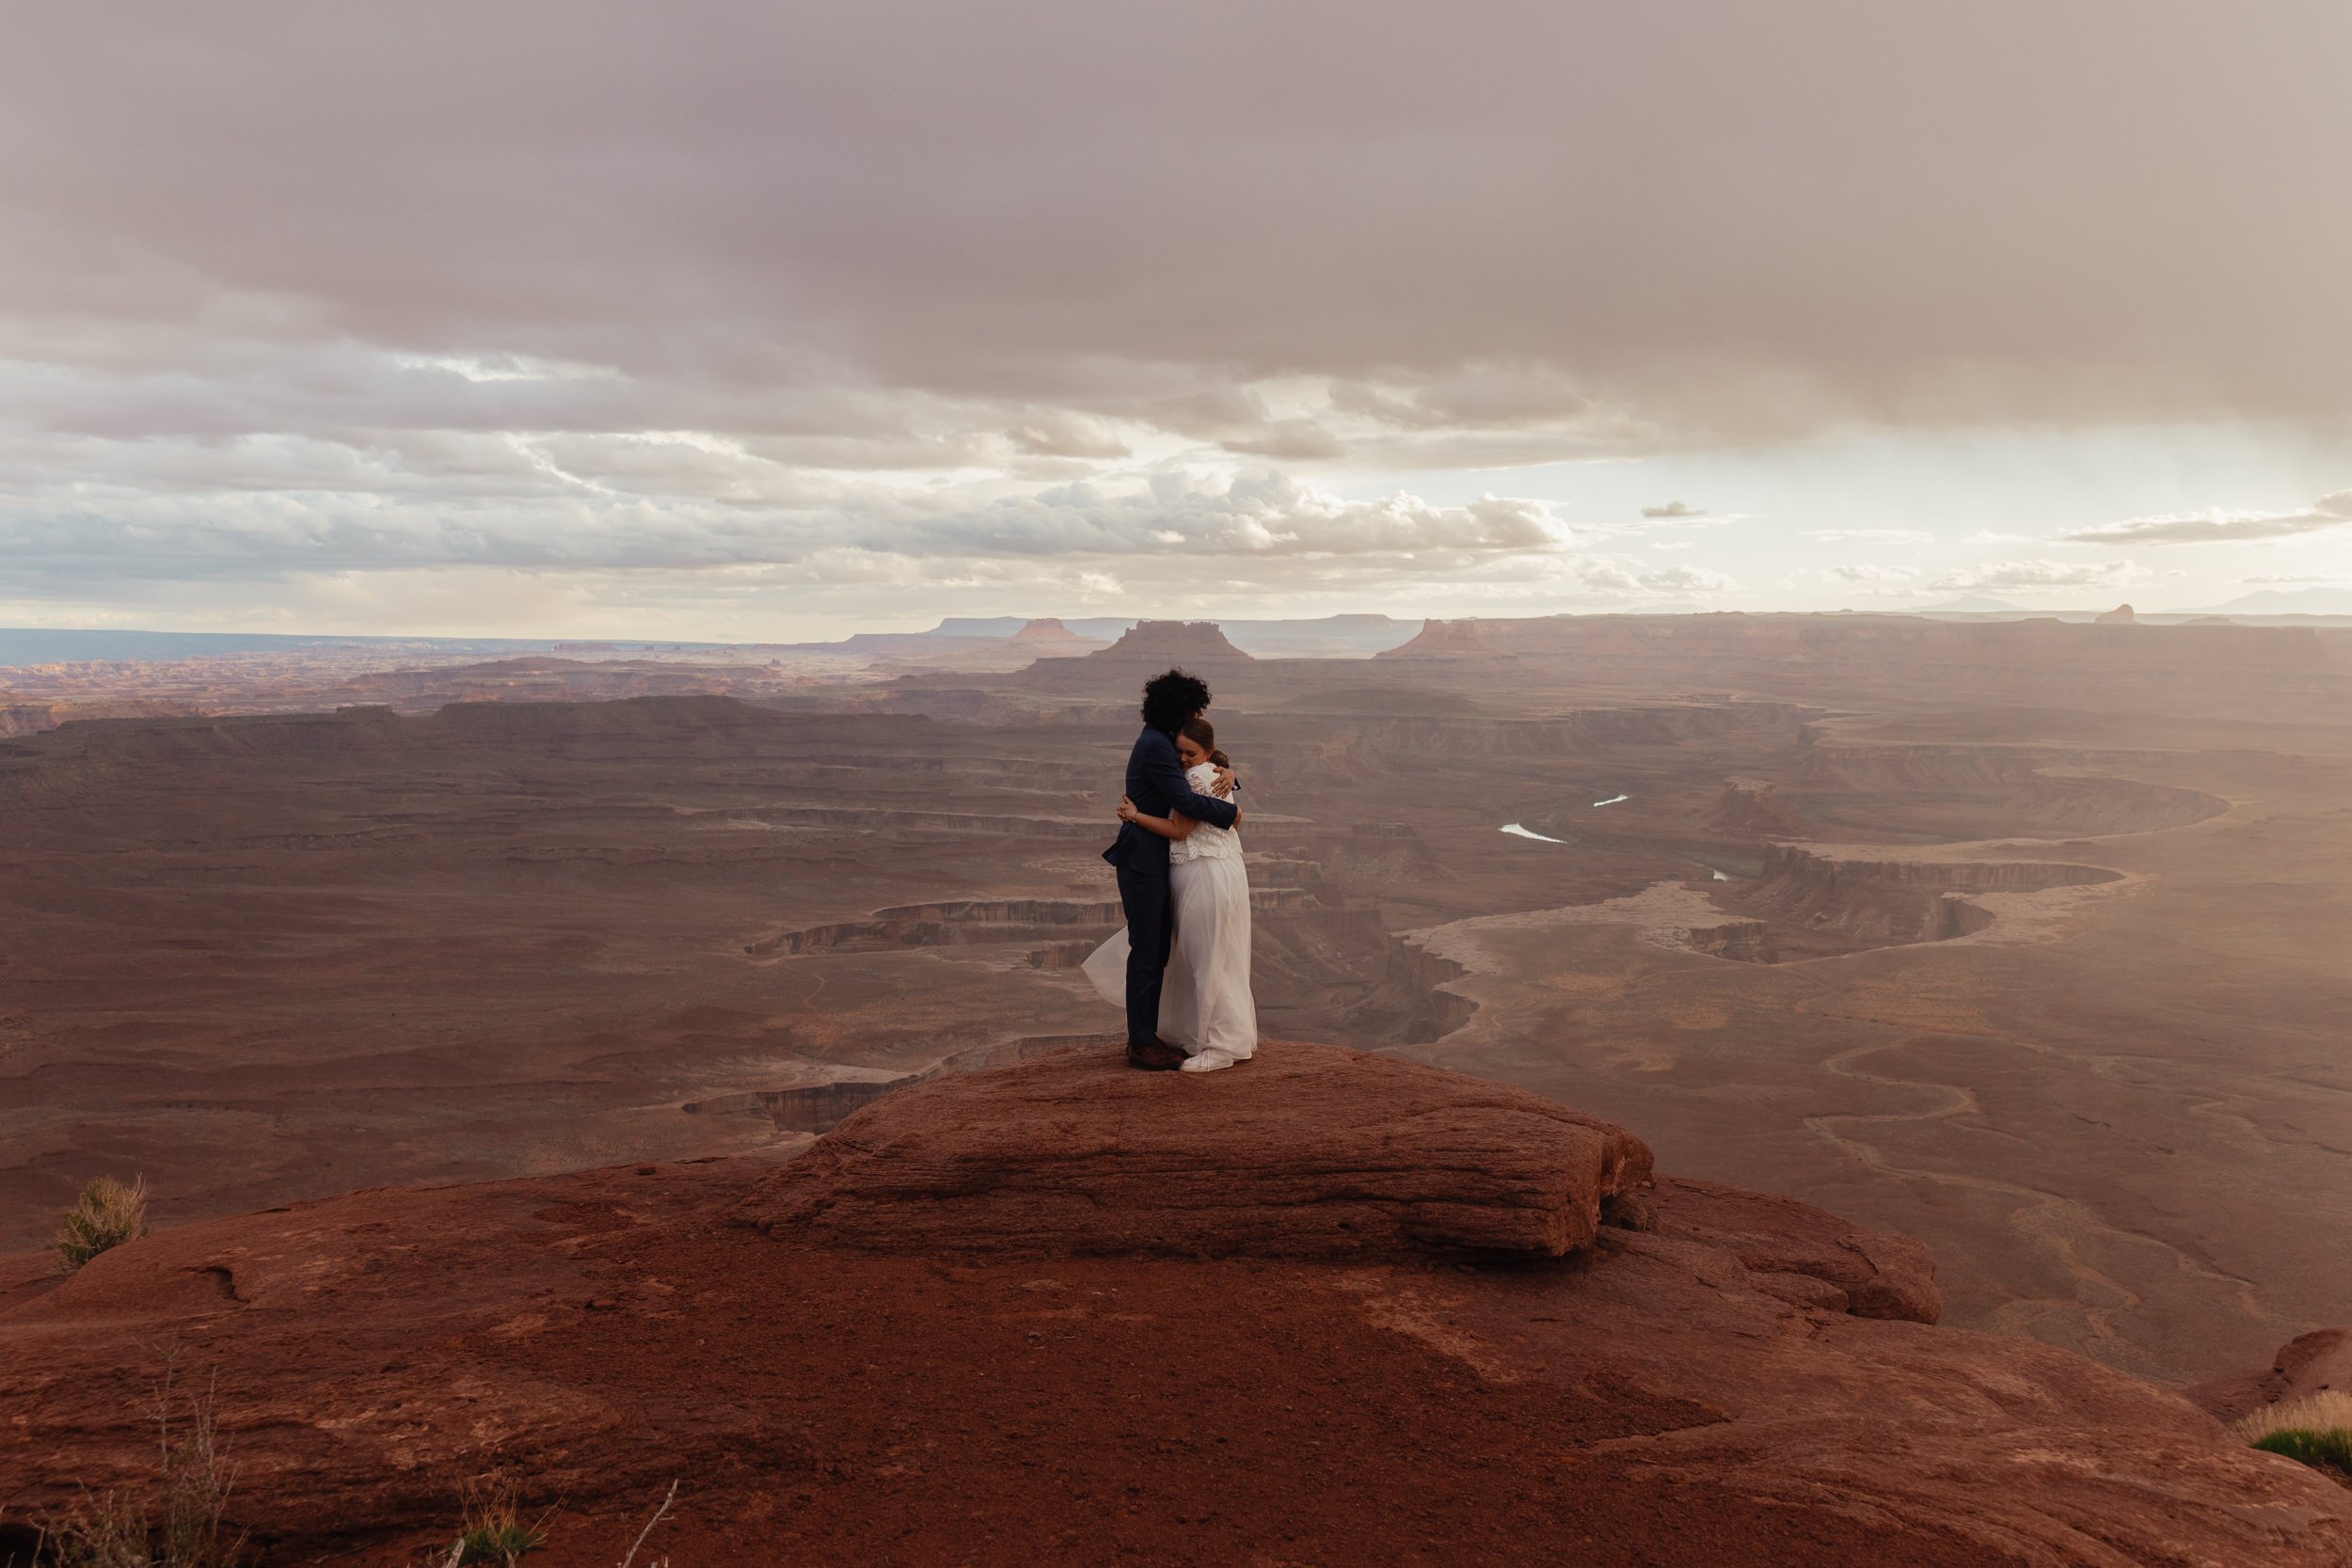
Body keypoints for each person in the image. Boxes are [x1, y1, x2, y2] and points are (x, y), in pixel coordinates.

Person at [1087, 715, 1258, 1071]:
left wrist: (1135, 815)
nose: (1181, 760)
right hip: (1206, 871)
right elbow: (1216, 781)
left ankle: (1219, 1046)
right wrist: (1230, 778)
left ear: (1207, 751)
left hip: (1205, 874)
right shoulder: (1207, 769)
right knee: (1206, 956)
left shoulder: (1196, 775)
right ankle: (1207, 1036)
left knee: (1207, 958)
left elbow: (1181, 828)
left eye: (1189, 753)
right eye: (1178, 753)